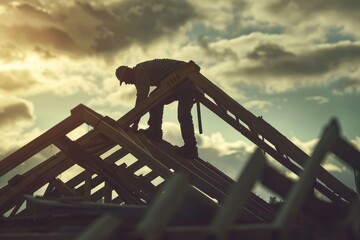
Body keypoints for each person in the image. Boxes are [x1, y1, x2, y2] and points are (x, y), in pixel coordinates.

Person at [115, 58, 199, 159]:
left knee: (183, 114)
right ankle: (155, 131)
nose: (126, 83)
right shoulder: (140, 72)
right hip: (179, 80)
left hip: (185, 77)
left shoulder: (140, 72)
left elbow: (142, 99)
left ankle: (191, 148)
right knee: (155, 100)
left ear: (128, 71)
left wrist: (135, 123)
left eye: (125, 79)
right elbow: (145, 100)